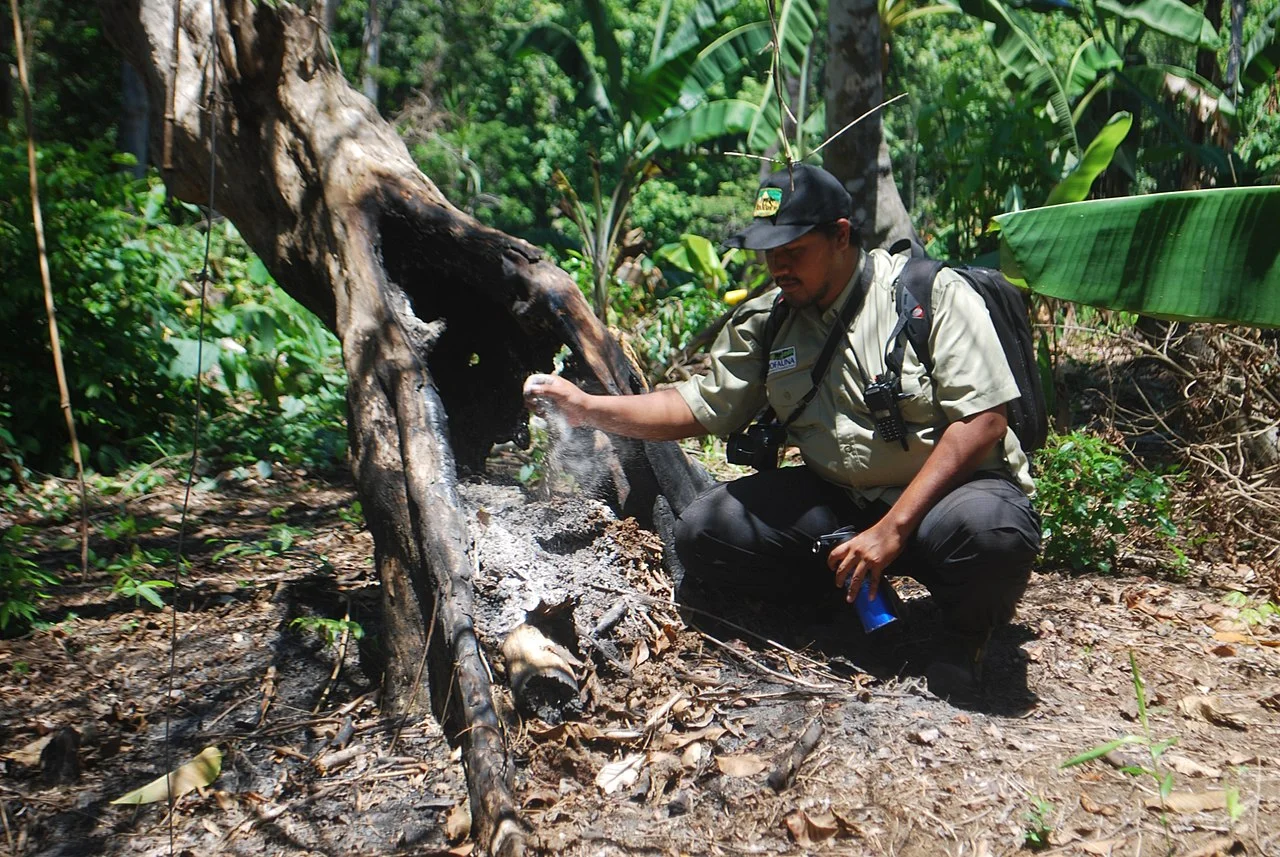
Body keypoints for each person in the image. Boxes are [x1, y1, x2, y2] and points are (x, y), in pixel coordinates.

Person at [524, 163, 1041, 702]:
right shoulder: (770, 322)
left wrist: (892, 529)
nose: (778, 267)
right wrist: (585, 408)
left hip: (949, 498)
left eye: (792, 250)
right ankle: (847, 604)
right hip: (843, 504)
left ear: (841, 236)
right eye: (770, 254)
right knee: (706, 532)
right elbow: (696, 405)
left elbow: (983, 421)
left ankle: (961, 640)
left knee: (993, 535)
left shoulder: (929, 295)